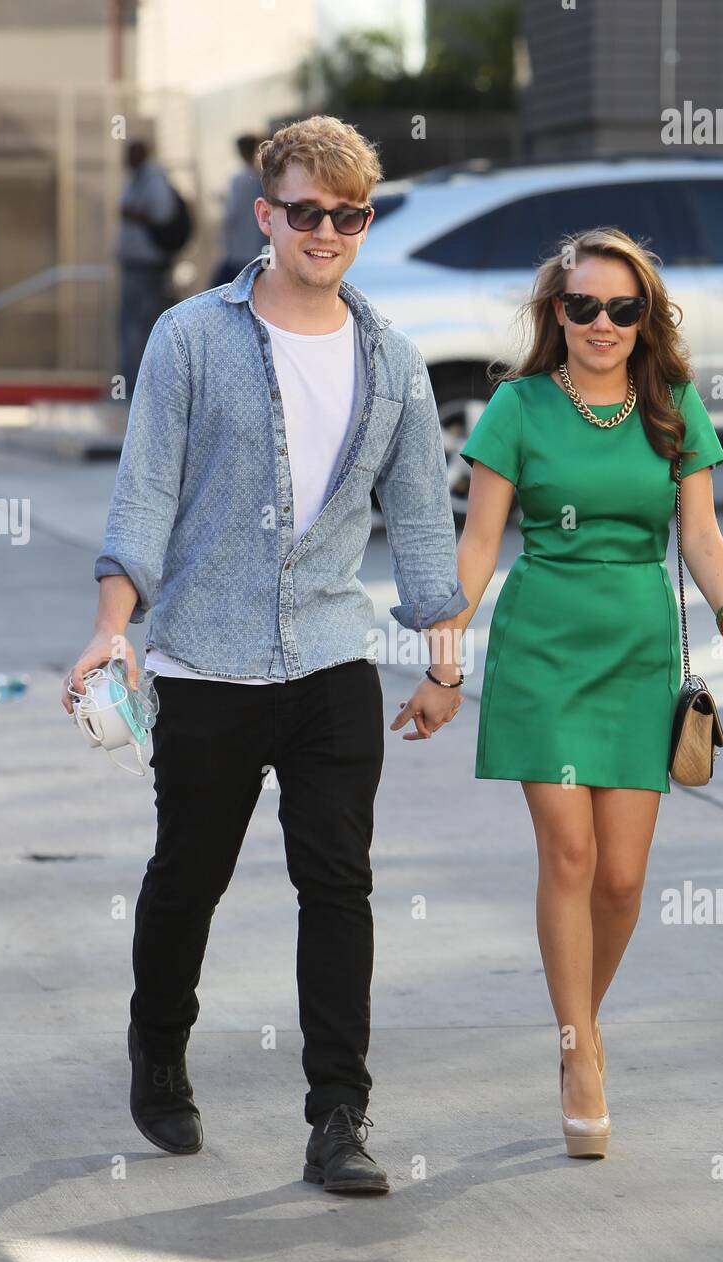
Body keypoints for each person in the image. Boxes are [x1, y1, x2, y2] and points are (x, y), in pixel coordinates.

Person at [63, 115, 469, 1195]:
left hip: (334, 656)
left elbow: (424, 519)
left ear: (362, 222)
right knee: (186, 877)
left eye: (346, 215)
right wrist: (115, 627)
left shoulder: (391, 359)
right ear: (266, 215)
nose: (324, 231)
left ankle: (338, 1114)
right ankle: (159, 1048)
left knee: (336, 884)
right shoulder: (191, 336)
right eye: (304, 213)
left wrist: (441, 660)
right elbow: (142, 494)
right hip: (205, 657)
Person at [412, 226, 723, 1158]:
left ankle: (585, 1019)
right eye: (582, 307)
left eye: (623, 308)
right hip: (543, 651)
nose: (602, 323)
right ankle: (579, 1055)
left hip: (638, 652)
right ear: (555, 313)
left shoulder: (673, 405)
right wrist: (445, 665)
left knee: (621, 876)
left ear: (646, 316)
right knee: (568, 856)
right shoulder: (519, 407)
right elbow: (479, 549)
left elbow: (699, 534)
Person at [115, 138, 176, 396]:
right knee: (131, 323)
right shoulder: (137, 179)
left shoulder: (153, 180)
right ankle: (131, 383)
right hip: (135, 264)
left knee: (141, 324)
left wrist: (134, 214)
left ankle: (141, 387)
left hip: (147, 266)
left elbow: (163, 214)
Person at [210, 133, 268, 287]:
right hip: (261, 247)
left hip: (240, 251)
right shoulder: (263, 177)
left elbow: (231, 214)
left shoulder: (240, 178)